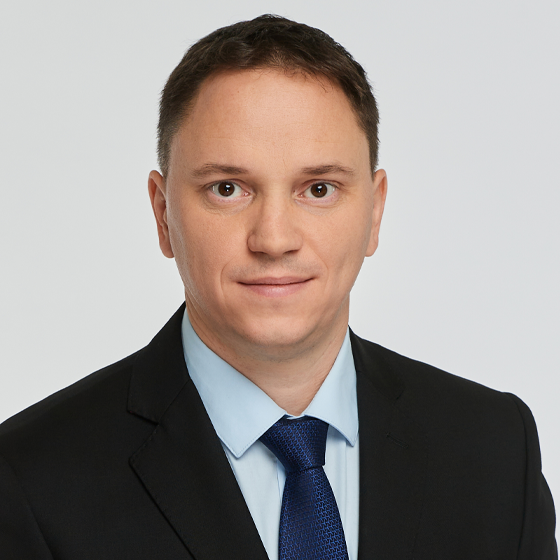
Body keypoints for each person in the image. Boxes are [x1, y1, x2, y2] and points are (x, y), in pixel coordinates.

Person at [0, 13, 556, 560]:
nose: (274, 239)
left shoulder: (495, 449)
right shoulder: (29, 478)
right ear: (163, 213)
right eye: (227, 188)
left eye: (318, 188)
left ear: (375, 211)